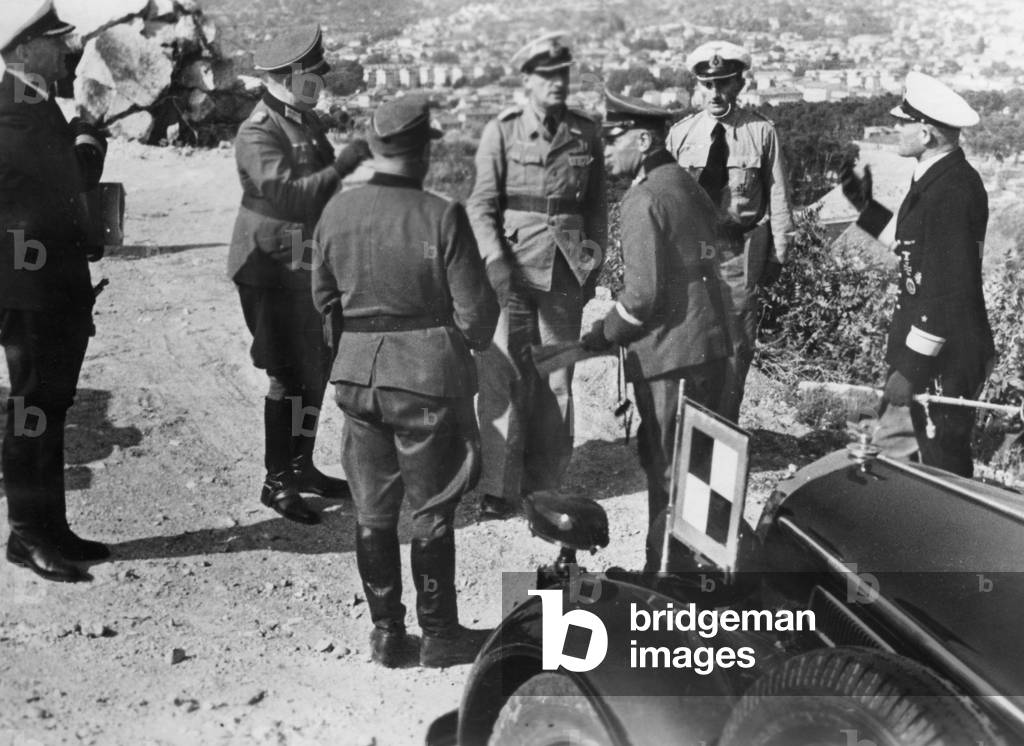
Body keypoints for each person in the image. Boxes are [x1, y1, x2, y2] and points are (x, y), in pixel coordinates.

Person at [312, 95, 499, 667]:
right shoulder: (441, 215)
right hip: (425, 380)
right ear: (422, 153)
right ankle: (439, 635)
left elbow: (323, 300)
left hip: (357, 379)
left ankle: (388, 635)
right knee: (432, 509)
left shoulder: (335, 211)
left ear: (372, 148)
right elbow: (477, 316)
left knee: (372, 509)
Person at [582, 90, 732, 573]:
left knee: (669, 468)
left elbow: (642, 297)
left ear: (643, 141)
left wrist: (606, 332)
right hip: (707, 345)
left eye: (613, 141)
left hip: (671, 356)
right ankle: (699, 573)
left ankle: (666, 578)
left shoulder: (642, 198)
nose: (606, 152)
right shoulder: (685, 184)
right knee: (701, 468)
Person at [227, 25, 371, 525]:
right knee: (287, 374)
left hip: (307, 266)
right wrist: (345, 164)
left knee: (315, 369)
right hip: (269, 269)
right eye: (313, 75)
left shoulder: (302, 120)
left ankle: (302, 465)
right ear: (288, 76)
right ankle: (278, 480)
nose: (320, 83)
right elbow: (287, 193)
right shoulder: (258, 130)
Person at [466, 31, 607, 519]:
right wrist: (494, 262)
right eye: (547, 76)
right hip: (510, 269)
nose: (557, 83)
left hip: (564, 272)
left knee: (557, 378)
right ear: (527, 81)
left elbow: (596, 206)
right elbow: (480, 207)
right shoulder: (502, 131)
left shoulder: (585, 132)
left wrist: (592, 263)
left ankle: (546, 484)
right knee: (502, 377)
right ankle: (498, 487)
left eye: (563, 74)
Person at [0, 2, 110, 583]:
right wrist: (89, 135)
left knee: (51, 406)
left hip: (52, 283)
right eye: (55, 42)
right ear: (23, 51)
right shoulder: (13, 110)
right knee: (31, 409)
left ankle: (51, 526)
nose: (66, 50)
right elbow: (72, 176)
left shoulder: (36, 104)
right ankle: (26, 533)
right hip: (29, 288)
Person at [840, 72, 993, 477]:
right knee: (910, 460)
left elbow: (947, 288)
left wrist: (910, 369)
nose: (896, 129)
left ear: (925, 134)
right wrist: (864, 206)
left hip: (944, 358)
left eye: (903, 122)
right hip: (934, 352)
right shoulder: (938, 177)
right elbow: (912, 245)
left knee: (937, 468)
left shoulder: (952, 191)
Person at [667, 41, 793, 423]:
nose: (715, 93)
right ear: (697, 87)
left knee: (737, 349)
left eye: (723, 83)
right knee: (689, 344)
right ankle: (687, 434)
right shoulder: (681, 135)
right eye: (707, 85)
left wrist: (779, 255)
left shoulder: (761, 133)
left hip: (738, 256)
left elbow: (779, 197)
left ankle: (722, 433)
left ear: (739, 84)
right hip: (689, 258)